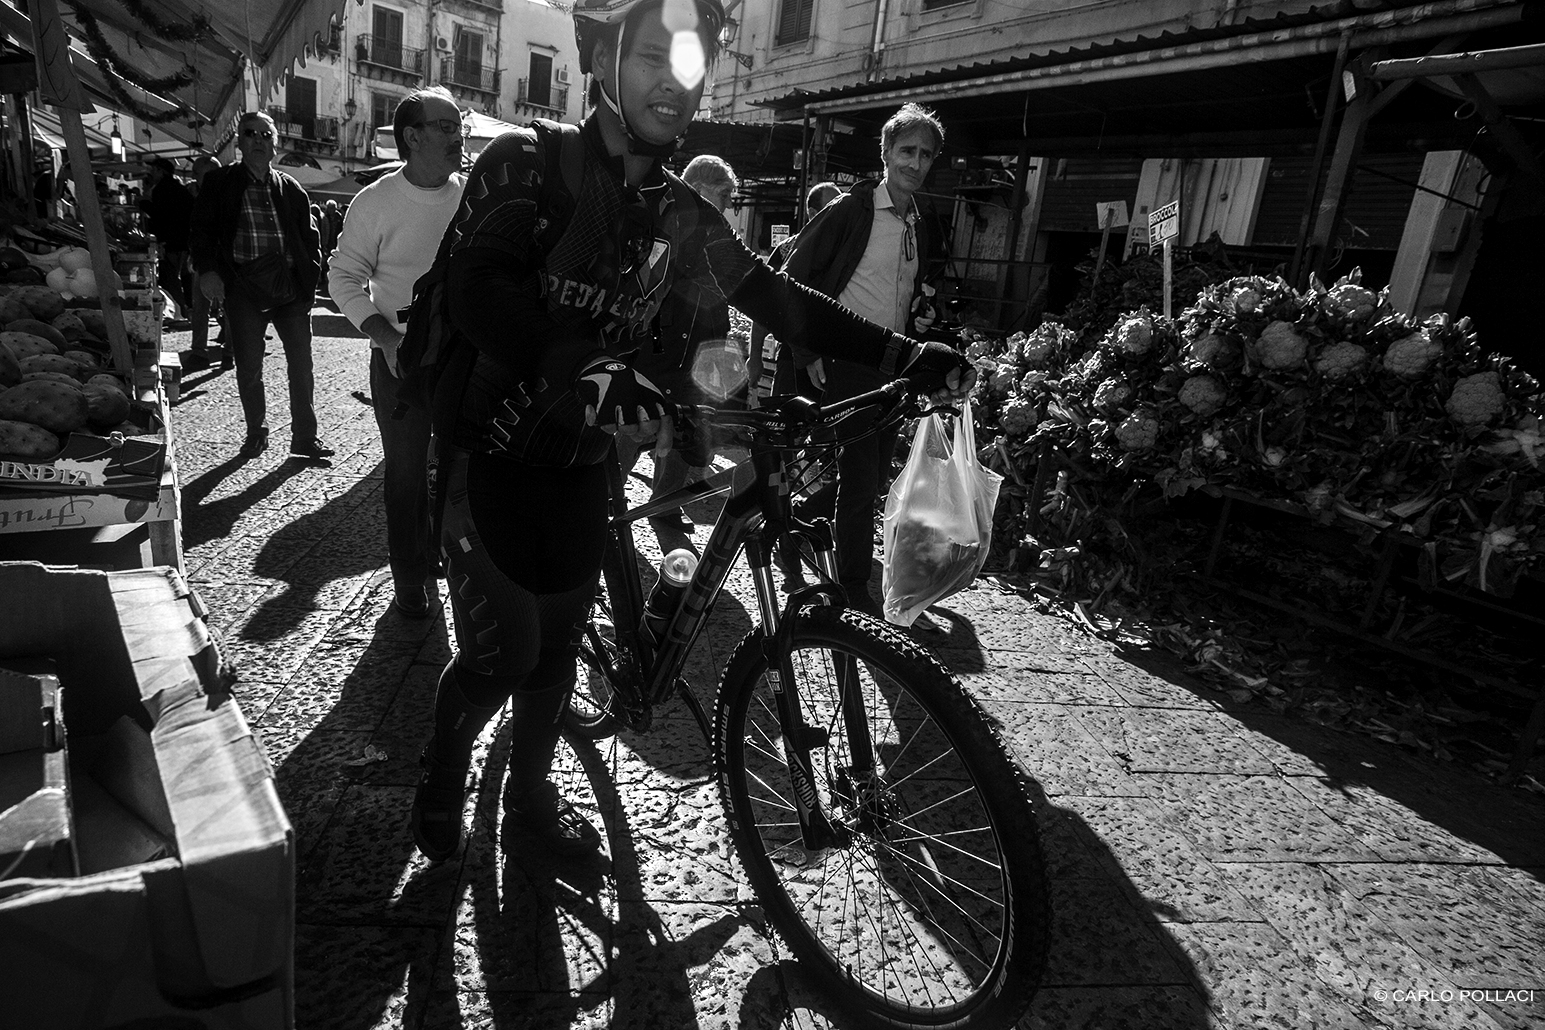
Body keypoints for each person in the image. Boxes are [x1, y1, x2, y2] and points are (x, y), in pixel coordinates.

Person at [406, 0, 971, 865]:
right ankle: (442, 784)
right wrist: (582, 365)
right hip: (487, 451)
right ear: (602, 58)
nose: (673, 81)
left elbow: (776, 298)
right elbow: (483, 289)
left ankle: (526, 806)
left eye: (692, 61)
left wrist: (902, 353)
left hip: (579, 463)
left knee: (555, 652)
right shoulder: (531, 164)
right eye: (650, 58)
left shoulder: (681, 212)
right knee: (499, 656)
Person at [776, 103, 943, 610]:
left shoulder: (918, 222)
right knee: (861, 479)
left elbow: (907, 293)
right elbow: (791, 278)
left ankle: (794, 531)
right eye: (907, 151)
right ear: (887, 152)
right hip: (845, 362)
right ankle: (852, 589)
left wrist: (921, 320)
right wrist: (807, 351)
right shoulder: (851, 211)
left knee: (865, 479)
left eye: (926, 155)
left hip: (890, 366)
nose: (916, 162)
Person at [328, 86, 467, 618]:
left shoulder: (473, 196)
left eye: (460, 127)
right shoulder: (375, 202)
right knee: (406, 471)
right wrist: (385, 338)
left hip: (465, 355)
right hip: (400, 358)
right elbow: (344, 277)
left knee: (463, 469)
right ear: (412, 136)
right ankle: (410, 576)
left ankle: (457, 564)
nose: (460, 137)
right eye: (448, 127)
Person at [190, 111, 334, 460]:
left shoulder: (291, 189)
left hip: (289, 291)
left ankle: (304, 438)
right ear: (239, 143)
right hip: (243, 289)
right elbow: (202, 232)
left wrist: (307, 286)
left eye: (264, 135)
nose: (257, 140)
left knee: (302, 366)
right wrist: (208, 272)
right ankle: (256, 432)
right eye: (249, 133)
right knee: (248, 367)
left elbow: (310, 241)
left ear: (274, 144)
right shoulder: (220, 184)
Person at [629, 152, 739, 548]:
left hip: (696, 359)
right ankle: (605, 504)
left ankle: (664, 503)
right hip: (652, 356)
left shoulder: (715, 238)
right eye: (723, 194)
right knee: (629, 429)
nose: (728, 204)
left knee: (684, 434)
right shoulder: (661, 226)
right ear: (700, 188)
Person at [748, 180, 843, 403]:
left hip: (838, 359)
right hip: (792, 358)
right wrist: (755, 357)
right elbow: (765, 306)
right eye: (831, 209)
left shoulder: (846, 254)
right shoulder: (787, 250)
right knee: (784, 425)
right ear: (812, 213)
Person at [141, 157, 195, 324]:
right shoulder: (180, 188)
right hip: (185, 241)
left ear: (161, 171)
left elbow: (160, 215)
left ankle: (181, 312)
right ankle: (191, 310)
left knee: (171, 278)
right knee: (186, 278)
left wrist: (144, 204)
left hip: (171, 241)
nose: (151, 172)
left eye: (154, 169)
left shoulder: (162, 189)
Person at [185, 156, 226, 369]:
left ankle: (228, 351)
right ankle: (200, 351)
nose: (193, 177)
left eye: (197, 173)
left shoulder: (225, 197)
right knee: (200, 306)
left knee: (226, 305)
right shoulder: (196, 196)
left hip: (222, 260)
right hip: (204, 259)